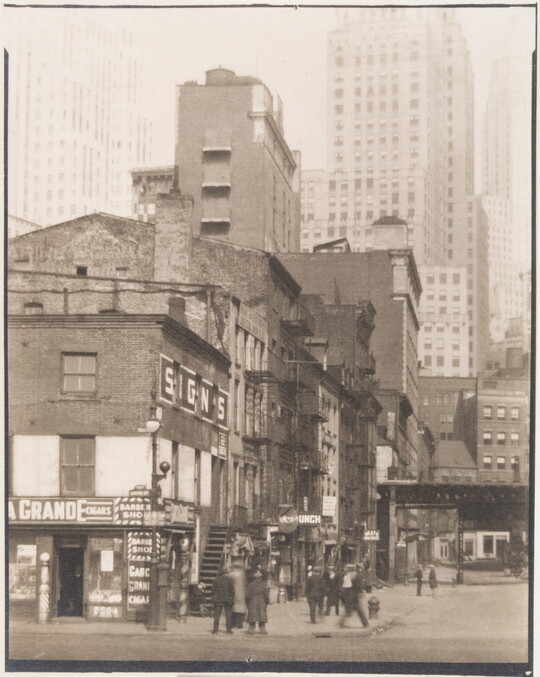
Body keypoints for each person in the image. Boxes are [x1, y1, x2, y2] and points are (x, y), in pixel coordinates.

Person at [338, 564, 369, 628]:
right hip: (349, 596)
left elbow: (359, 585)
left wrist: (359, 592)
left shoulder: (355, 576)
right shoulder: (346, 576)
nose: (345, 570)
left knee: (354, 610)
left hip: (353, 595)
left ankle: (341, 623)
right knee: (356, 610)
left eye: (346, 569)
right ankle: (365, 623)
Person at [212, 566, 235, 635]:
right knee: (228, 616)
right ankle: (228, 630)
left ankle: (215, 630)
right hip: (228, 600)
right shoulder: (230, 580)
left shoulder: (216, 580)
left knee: (217, 616)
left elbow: (213, 590)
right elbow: (233, 591)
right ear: (227, 573)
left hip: (218, 600)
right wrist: (232, 598)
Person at [246, 570, 270, 634]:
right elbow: (266, 595)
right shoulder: (264, 585)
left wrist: (247, 603)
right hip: (261, 602)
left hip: (252, 602)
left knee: (252, 616)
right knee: (262, 616)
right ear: (260, 578)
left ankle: (251, 629)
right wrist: (267, 602)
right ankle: (262, 629)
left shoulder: (250, 585)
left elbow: (247, 595)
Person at [230, 561, 247, 628]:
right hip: (241, 593)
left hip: (234, 593)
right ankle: (240, 624)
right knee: (241, 609)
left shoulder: (231, 574)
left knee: (233, 609)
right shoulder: (242, 574)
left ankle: (233, 623)